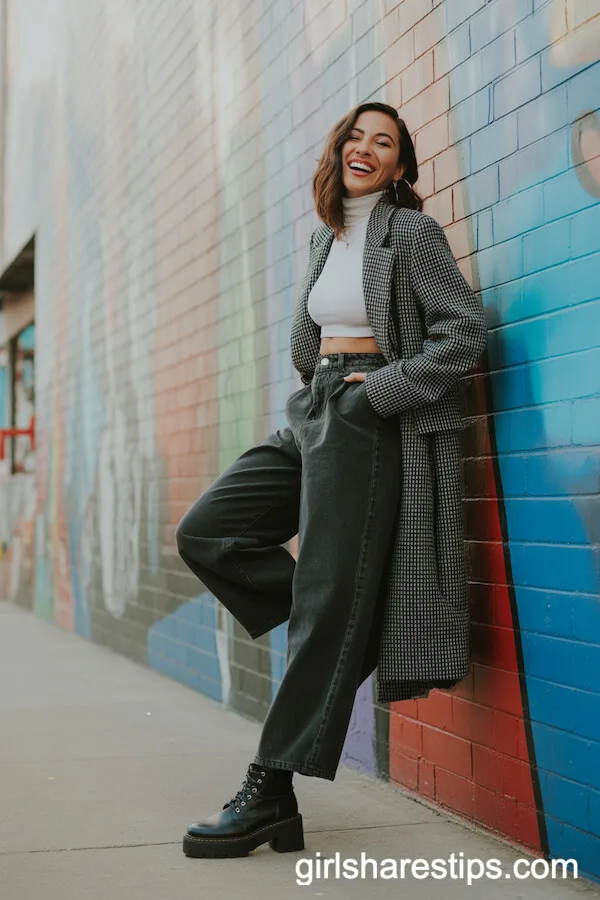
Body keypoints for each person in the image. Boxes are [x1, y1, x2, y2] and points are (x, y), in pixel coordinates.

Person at [175, 101, 488, 859]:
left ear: (400, 167)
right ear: (338, 149)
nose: (367, 148)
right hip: (317, 407)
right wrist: (319, 387)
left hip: (364, 410)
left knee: (323, 606)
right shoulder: (326, 235)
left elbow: (464, 330)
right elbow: (309, 337)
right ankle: (349, 620)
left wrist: (378, 392)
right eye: (357, 135)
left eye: (385, 142)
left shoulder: (410, 233)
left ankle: (269, 788)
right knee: (208, 531)